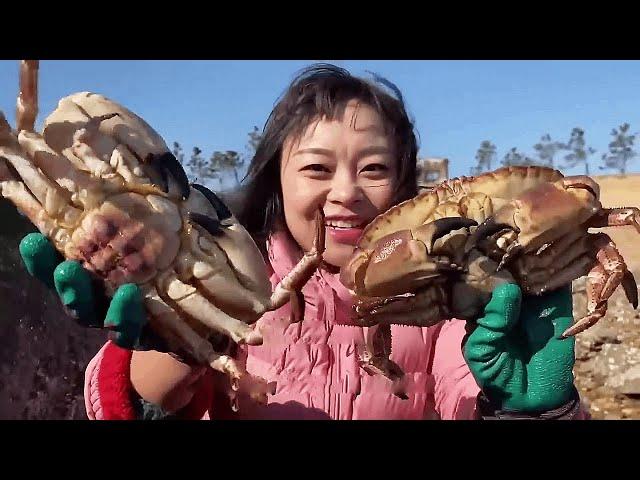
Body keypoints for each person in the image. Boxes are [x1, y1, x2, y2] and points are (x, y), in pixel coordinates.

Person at [19, 63, 588, 420]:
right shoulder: (232, 282)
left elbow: (464, 395)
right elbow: (124, 410)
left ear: (407, 190)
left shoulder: (444, 308)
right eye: (317, 168)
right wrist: (176, 343)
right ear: (276, 181)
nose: (347, 193)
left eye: (374, 169)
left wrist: (533, 412)